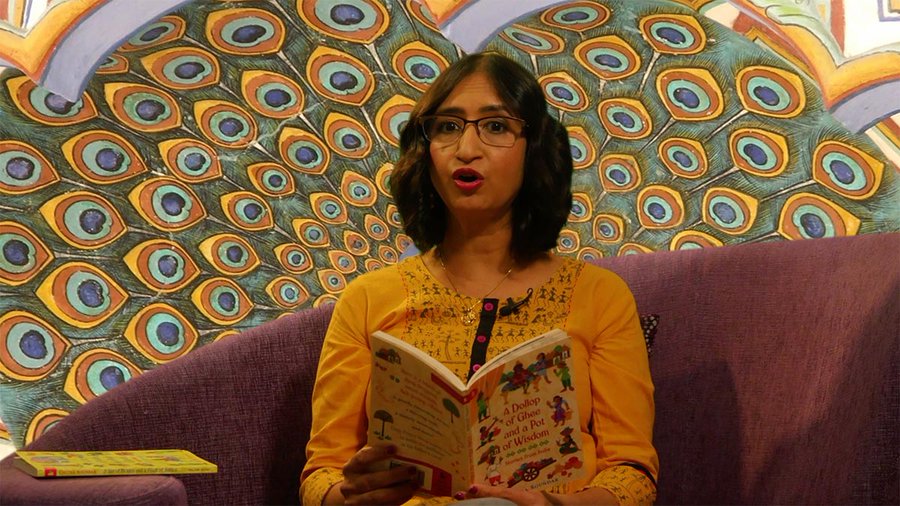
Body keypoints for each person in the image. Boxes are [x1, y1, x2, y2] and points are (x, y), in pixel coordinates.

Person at [301, 52, 658, 505]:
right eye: (448, 127)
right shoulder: (368, 298)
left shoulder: (600, 296)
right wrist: (348, 497)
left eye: (496, 126)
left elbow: (633, 477)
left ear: (533, 149)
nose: (466, 148)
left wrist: (552, 505)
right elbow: (320, 475)